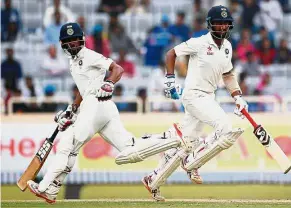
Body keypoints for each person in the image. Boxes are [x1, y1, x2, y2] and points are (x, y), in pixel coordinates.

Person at [26, 22, 183, 204]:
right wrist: (72, 109)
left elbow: (118, 69)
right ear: (62, 44)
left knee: (67, 146)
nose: (73, 44)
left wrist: (109, 83)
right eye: (69, 41)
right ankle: (170, 140)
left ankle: (46, 187)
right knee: (129, 150)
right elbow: (83, 89)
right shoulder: (73, 62)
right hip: (101, 108)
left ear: (82, 39)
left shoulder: (90, 56)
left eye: (76, 40)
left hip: (97, 105)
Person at [141, 5, 249, 201]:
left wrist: (238, 97)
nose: (222, 27)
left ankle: (153, 179)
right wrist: (170, 81)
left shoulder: (227, 47)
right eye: (218, 23)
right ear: (210, 24)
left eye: (225, 24)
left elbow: (228, 75)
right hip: (193, 96)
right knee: (225, 128)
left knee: (185, 143)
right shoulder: (199, 42)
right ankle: (192, 162)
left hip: (208, 96)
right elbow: (171, 54)